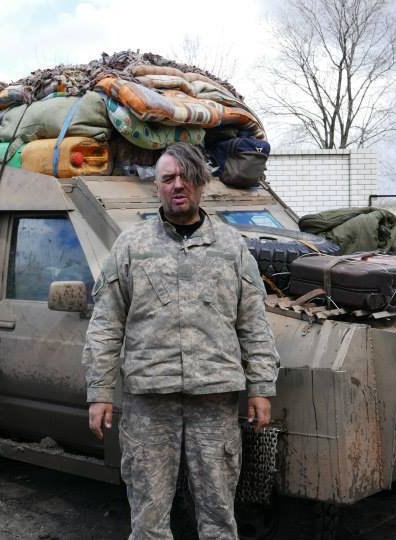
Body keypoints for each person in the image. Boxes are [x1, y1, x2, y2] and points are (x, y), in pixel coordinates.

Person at [82, 142, 280, 539]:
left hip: (214, 400)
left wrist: (261, 387)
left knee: (219, 515)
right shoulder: (131, 247)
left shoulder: (231, 247)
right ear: (156, 186)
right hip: (149, 403)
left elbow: (253, 322)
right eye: (168, 178)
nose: (178, 185)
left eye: (186, 177)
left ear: (200, 183)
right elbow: (106, 325)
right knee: (148, 518)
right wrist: (100, 391)